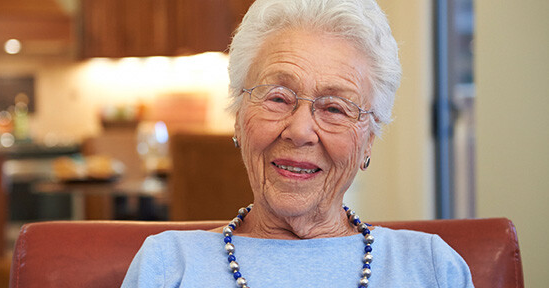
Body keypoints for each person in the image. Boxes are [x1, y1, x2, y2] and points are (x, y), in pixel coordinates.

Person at [122, 0, 474, 287]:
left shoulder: (431, 267)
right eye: (278, 97)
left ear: (368, 139)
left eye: (336, 107)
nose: (300, 130)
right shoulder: (168, 264)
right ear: (238, 118)